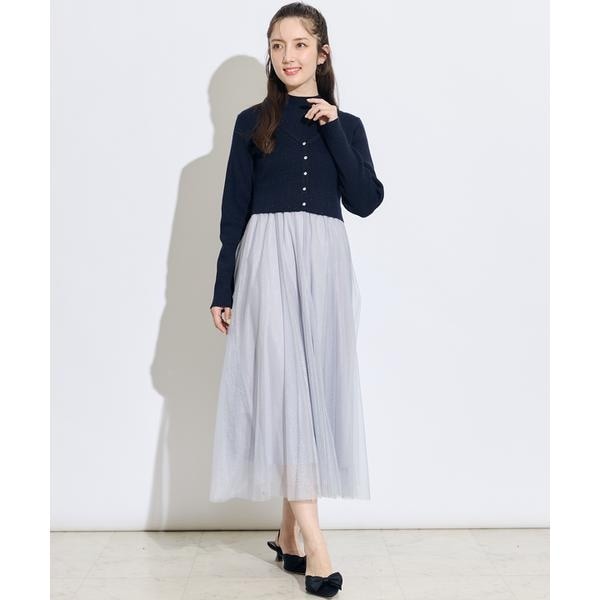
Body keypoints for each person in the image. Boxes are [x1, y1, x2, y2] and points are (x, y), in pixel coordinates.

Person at [208, 3, 384, 597]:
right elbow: (233, 211)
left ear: (322, 52)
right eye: (278, 45)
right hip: (266, 262)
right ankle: (317, 548)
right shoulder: (251, 122)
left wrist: (332, 125)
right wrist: (224, 287)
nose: (288, 55)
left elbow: (366, 201)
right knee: (285, 391)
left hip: (325, 265)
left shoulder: (347, 125)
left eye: (301, 44)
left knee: (309, 394)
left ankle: (287, 534)